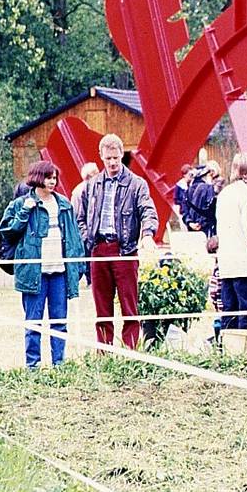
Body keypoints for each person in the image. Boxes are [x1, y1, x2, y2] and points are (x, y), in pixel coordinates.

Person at [0, 160, 85, 369]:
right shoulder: (20, 204)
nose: (52, 181)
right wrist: (25, 212)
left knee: (59, 322)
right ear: (37, 178)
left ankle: (59, 364)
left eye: (54, 177)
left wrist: (79, 266)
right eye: (48, 177)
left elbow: (74, 238)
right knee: (33, 323)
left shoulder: (64, 204)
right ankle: (33, 366)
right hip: (34, 272)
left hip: (59, 273)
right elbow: (7, 233)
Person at [77, 134, 159, 350]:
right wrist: (89, 240)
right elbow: (80, 216)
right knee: (102, 307)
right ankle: (104, 352)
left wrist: (147, 234)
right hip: (98, 250)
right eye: (108, 158)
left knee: (129, 305)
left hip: (125, 250)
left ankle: (131, 352)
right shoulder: (92, 185)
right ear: (101, 157)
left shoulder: (136, 184)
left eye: (115, 157)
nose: (112, 162)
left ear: (122, 155)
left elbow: (148, 210)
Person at [215, 152, 247, 334]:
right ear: (245, 173)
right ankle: (245, 351)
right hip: (245, 262)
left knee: (229, 309)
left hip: (226, 261)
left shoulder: (224, 193)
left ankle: (228, 349)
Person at [183, 165, 217, 237]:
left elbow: (185, 211)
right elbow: (209, 208)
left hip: (192, 229)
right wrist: (201, 222)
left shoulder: (188, 190)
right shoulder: (208, 188)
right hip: (206, 230)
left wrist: (190, 223)